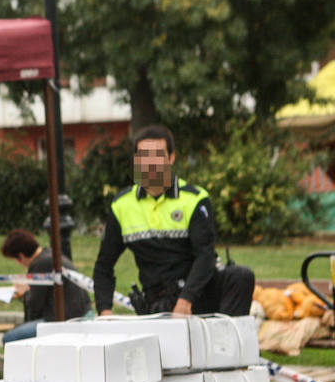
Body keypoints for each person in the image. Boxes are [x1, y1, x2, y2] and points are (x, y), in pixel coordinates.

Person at [93, 124, 254, 317]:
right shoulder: (121, 205)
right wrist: (105, 311)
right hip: (158, 298)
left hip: (197, 292)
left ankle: (227, 336)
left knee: (240, 276)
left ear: (171, 158)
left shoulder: (195, 199)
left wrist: (186, 300)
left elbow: (205, 256)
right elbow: (104, 265)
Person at [0, 228, 91, 342]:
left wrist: (25, 291)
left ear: (20, 256)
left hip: (65, 320)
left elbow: (34, 305)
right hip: (81, 313)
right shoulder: (50, 255)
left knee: (10, 338)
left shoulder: (40, 264)